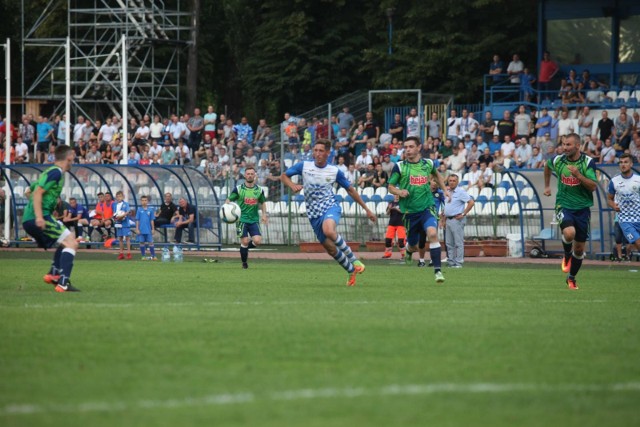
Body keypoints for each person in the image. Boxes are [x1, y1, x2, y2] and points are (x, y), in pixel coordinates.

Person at [281, 139, 376, 286]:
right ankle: (351, 271)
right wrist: (292, 185)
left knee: (329, 230)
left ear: (327, 153)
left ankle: (354, 260)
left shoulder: (334, 171)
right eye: (315, 150)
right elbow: (283, 176)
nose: (317, 153)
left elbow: (350, 190)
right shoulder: (304, 166)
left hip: (330, 206)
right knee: (331, 249)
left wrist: (367, 209)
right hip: (313, 214)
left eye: (321, 151)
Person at [388, 136, 448, 283]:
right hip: (409, 212)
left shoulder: (428, 163)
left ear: (418, 147)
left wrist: (445, 190)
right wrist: (399, 192)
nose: (408, 150)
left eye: (411, 147)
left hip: (427, 207)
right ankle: (409, 250)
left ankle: (438, 271)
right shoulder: (400, 166)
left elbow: (437, 175)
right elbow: (390, 186)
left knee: (432, 234)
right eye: (406, 147)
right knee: (414, 245)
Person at [22, 145, 80, 292]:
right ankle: (63, 283)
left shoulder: (49, 172)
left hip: (31, 218)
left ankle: (54, 273)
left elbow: (28, 191)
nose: (74, 160)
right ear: (68, 157)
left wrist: (41, 208)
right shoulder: (55, 173)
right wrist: (40, 216)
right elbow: (37, 193)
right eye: (73, 156)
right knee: (71, 243)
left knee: (66, 239)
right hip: (38, 218)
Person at [544, 133, 598, 290]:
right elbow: (547, 165)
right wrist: (547, 186)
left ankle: (571, 278)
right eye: (563, 144)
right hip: (564, 204)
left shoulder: (588, 162)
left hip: (582, 209)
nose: (565, 147)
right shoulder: (559, 160)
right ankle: (567, 255)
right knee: (569, 233)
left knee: (580, 249)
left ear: (577, 146)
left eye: (568, 145)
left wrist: (578, 175)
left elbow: (593, 186)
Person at [227, 166, 268, 269]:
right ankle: (244, 263)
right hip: (242, 220)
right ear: (245, 175)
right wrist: (227, 210)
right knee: (245, 241)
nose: (250, 175)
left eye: (252, 174)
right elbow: (229, 200)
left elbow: (263, 202)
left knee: (257, 241)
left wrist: (264, 215)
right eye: (248, 174)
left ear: (255, 175)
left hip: (254, 220)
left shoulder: (259, 190)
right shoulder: (238, 189)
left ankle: (244, 248)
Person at [607, 154, 640, 259]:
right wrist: (613, 206)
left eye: (625, 162)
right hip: (625, 220)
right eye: (621, 162)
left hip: (638, 216)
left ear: (631, 164)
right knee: (638, 243)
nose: (623, 165)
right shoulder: (614, 181)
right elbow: (609, 199)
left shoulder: (638, 179)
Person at [442, 175, 475, 268]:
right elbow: (447, 207)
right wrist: (443, 219)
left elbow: (471, 202)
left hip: (457, 219)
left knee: (458, 242)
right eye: (450, 180)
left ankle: (459, 262)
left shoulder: (461, 192)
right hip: (448, 219)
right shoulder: (447, 192)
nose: (452, 182)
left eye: (454, 181)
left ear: (457, 182)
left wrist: (463, 214)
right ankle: (451, 262)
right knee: (449, 243)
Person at [418, 179, 445, 267]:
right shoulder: (423, 191)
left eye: (436, 181)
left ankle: (432, 260)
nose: (435, 183)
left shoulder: (440, 193)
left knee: (432, 239)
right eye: (433, 181)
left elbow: (444, 206)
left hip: (433, 218)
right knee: (421, 240)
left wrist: (442, 219)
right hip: (422, 218)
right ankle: (421, 260)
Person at [382, 195, 406, 259]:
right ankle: (387, 254)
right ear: (393, 195)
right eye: (395, 195)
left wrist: (396, 209)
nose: (397, 196)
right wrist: (390, 209)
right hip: (391, 223)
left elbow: (403, 212)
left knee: (401, 241)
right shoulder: (391, 203)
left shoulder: (402, 203)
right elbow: (387, 213)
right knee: (388, 240)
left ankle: (404, 255)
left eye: (398, 195)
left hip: (401, 223)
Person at [135, 195, 157, 260]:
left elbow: (152, 220)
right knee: (142, 242)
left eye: (145, 200)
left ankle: (153, 255)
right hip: (141, 230)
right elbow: (137, 220)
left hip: (148, 230)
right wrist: (137, 229)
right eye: (142, 200)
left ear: (147, 201)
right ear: (141, 201)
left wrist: (153, 229)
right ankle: (143, 256)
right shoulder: (139, 210)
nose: (144, 202)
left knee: (151, 242)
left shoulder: (150, 210)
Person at [113, 191, 132, 260]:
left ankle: (129, 253)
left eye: (120, 196)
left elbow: (128, 212)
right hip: (118, 223)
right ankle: (121, 253)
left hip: (125, 223)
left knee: (127, 238)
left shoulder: (126, 204)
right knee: (120, 238)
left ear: (123, 197)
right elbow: (114, 214)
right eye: (117, 196)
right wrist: (115, 218)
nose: (118, 198)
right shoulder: (114, 205)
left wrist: (122, 215)